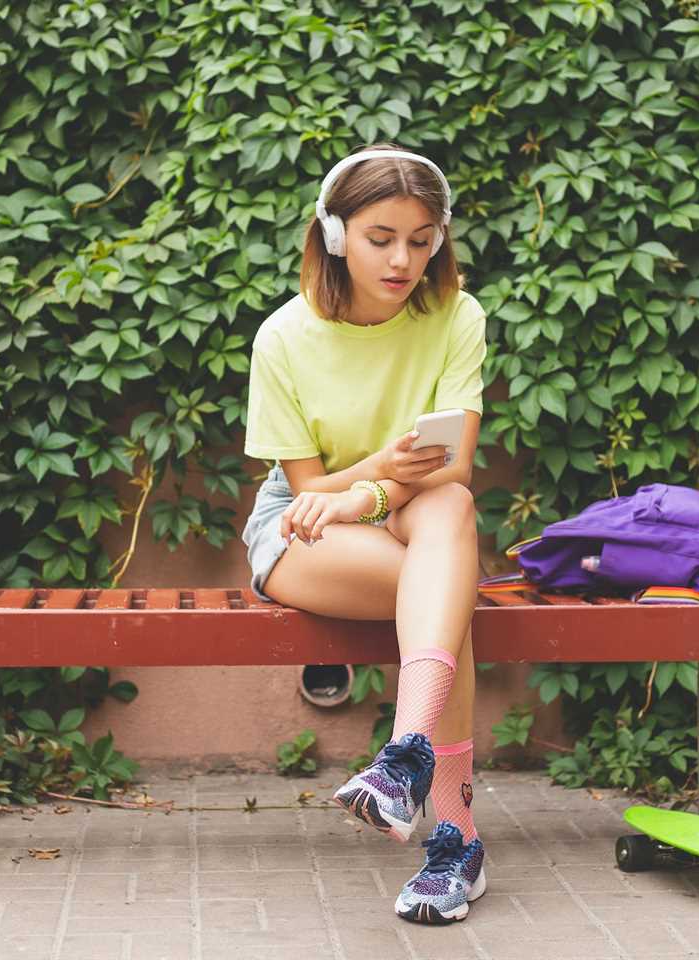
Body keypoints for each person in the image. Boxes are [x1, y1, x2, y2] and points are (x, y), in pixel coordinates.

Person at [241, 143, 488, 924]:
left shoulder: (457, 315)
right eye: (381, 237)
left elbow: (453, 467)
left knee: (451, 516)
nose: (403, 258)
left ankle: (404, 758)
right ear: (336, 234)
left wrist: (374, 492)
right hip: (302, 527)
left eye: (422, 239)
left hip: (413, 504)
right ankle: (456, 839)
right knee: (445, 591)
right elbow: (308, 490)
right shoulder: (283, 337)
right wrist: (374, 476)